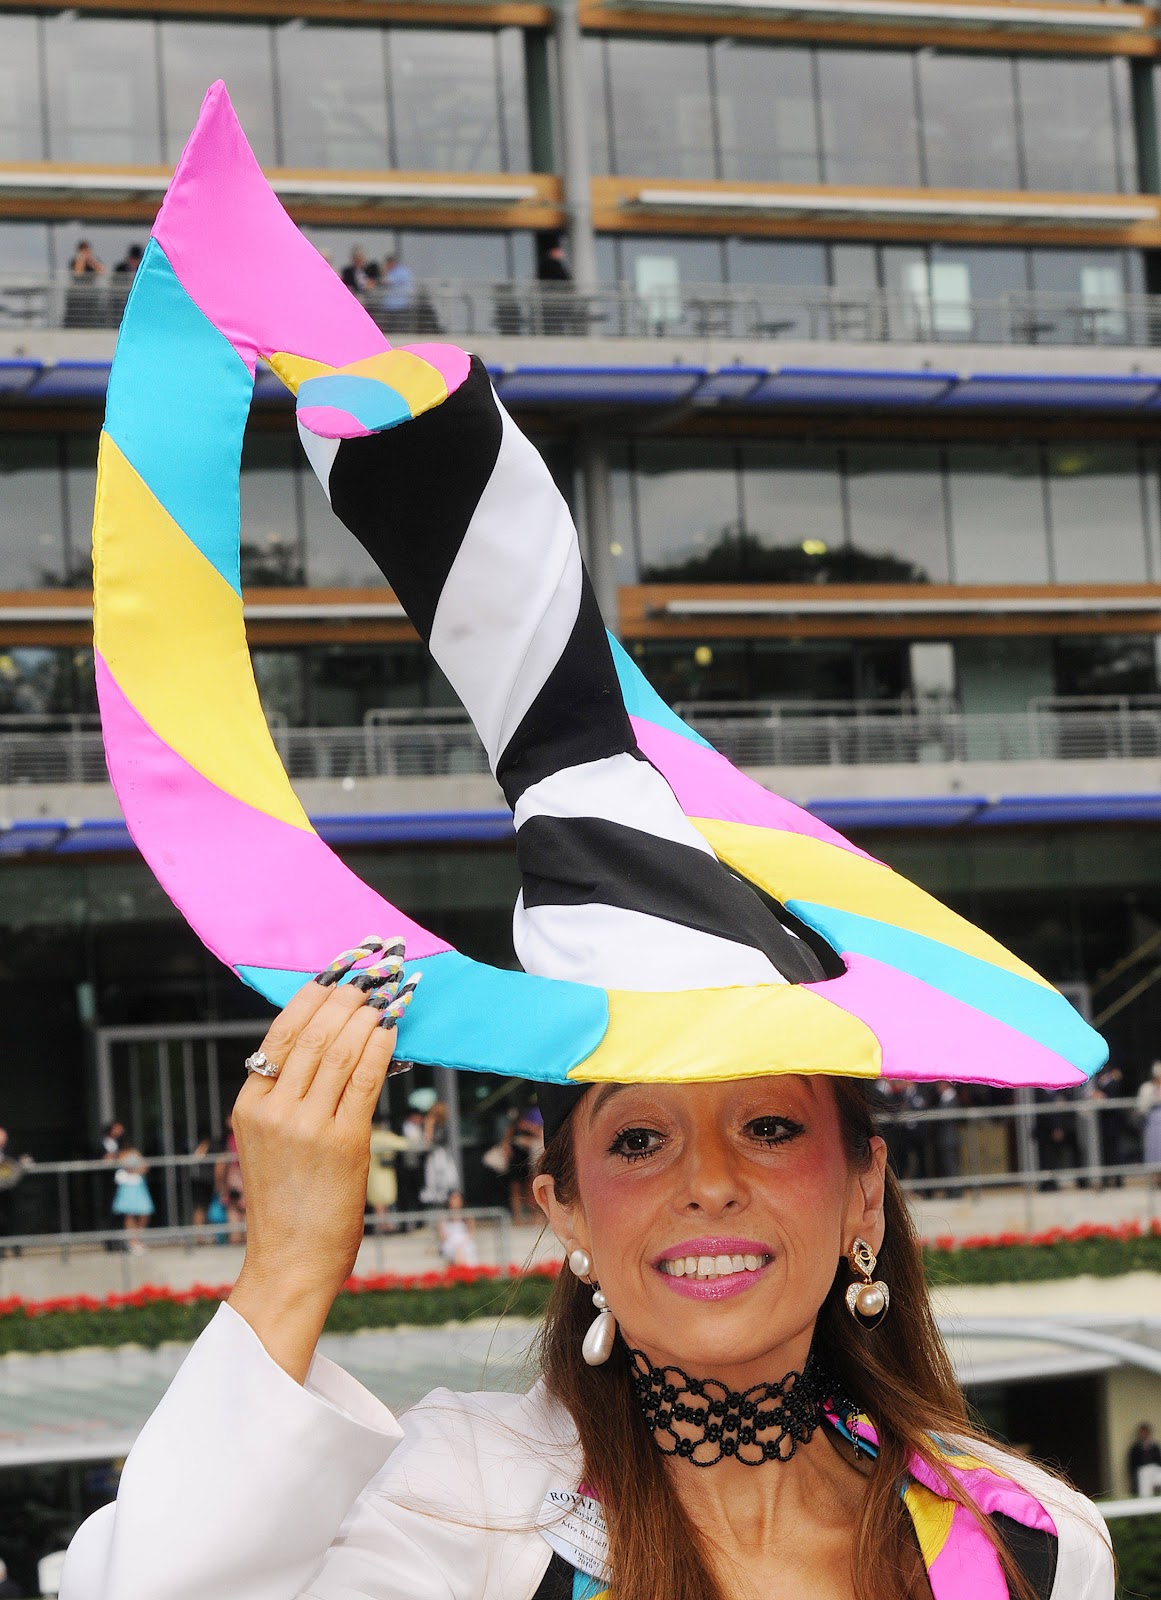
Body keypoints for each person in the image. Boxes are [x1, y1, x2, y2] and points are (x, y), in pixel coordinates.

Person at [62, 89, 1114, 1600]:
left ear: (864, 1192)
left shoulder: (1031, 1541)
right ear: (558, 1204)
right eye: (635, 1138)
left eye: (768, 1126)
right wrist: (290, 1260)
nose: (707, 1185)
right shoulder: (456, 1513)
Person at [366, 1117, 408, 1232]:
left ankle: (383, 1223)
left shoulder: (369, 1137)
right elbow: (403, 1144)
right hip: (383, 1174)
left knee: (379, 1201)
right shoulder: (383, 1136)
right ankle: (382, 1224)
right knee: (381, 1200)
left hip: (374, 1173)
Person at [111, 1147, 153, 1254]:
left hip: (138, 1186)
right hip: (127, 1187)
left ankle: (136, 1239)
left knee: (144, 1212)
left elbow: (144, 1168)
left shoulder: (135, 1153)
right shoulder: (122, 1155)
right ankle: (132, 1241)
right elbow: (127, 1167)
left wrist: (136, 1168)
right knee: (129, 1214)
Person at [215, 1113, 245, 1245]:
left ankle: (237, 1237)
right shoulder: (234, 1138)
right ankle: (238, 1238)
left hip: (236, 1177)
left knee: (239, 1209)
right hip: (237, 1178)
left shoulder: (233, 1139)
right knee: (238, 1208)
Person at [437, 1189, 478, 1268]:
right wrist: (455, 1244)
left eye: (458, 1198)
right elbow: (442, 1235)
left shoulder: (467, 1215)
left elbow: (472, 1233)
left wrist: (462, 1243)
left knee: (466, 1252)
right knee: (456, 1253)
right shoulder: (443, 1217)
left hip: (465, 1241)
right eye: (453, 1198)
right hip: (449, 1242)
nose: (456, 1201)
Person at [1136, 1061, 1161, 1184]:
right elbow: (1141, 1107)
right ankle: (1155, 1178)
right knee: (1154, 1150)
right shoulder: (1147, 1088)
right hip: (1152, 1124)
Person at [380, 253, 416, 332]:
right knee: (390, 328)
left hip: (401, 305)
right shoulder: (393, 271)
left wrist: (384, 271)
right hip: (390, 306)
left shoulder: (402, 272)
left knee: (400, 328)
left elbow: (386, 281)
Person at [1128, 1422, 1161, 1496]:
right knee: (1144, 1475)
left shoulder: (1155, 1446)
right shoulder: (1135, 1448)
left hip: (1155, 1469)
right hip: (1142, 1471)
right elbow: (1132, 1464)